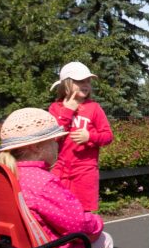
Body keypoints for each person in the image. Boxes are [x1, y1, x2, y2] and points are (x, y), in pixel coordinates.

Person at [0, 107, 128, 248]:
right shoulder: (43, 181)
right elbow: (77, 224)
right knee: (103, 240)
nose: (58, 145)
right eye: (54, 141)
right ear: (36, 147)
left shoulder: (5, 176)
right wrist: (96, 222)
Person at [48, 61, 114, 212]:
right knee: (60, 210)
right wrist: (68, 111)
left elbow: (108, 136)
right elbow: (53, 137)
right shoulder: (55, 108)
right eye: (80, 81)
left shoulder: (94, 108)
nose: (86, 85)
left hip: (86, 171)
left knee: (83, 212)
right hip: (60, 169)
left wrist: (90, 136)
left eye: (88, 81)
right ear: (67, 84)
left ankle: (83, 236)